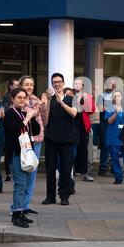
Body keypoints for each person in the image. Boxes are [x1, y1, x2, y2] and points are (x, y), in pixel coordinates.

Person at [40, 73, 78, 206]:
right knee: (50, 169)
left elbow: (74, 113)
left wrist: (62, 102)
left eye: (59, 81)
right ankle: (50, 196)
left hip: (67, 139)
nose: (57, 84)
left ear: (63, 82)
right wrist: (45, 102)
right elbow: (42, 114)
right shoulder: (49, 99)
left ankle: (64, 196)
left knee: (66, 169)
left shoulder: (70, 98)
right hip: (51, 138)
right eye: (54, 82)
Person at [4, 88, 39, 228]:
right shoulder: (10, 113)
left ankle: (21, 211)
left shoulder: (24, 113)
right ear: (12, 99)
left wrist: (33, 117)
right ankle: (16, 215)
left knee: (25, 184)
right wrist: (28, 118)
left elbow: (35, 131)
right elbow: (16, 130)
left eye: (24, 97)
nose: (22, 100)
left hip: (26, 153)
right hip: (15, 154)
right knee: (20, 184)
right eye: (19, 97)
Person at [17, 76, 43, 215]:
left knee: (32, 174)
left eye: (32, 84)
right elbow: (27, 116)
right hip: (24, 141)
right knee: (23, 174)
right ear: (21, 85)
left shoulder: (36, 100)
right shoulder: (19, 99)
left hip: (37, 139)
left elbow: (42, 117)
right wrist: (37, 108)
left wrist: (44, 104)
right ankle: (18, 206)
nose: (29, 87)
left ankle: (26, 205)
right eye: (27, 84)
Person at [73, 78, 95, 182]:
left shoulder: (87, 96)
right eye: (75, 84)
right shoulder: (70, 96)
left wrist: (87, 100)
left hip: (83, 126)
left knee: (83, 149)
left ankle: (84, 171)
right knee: (72, 149)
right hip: (72, 126)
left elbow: (91, 110)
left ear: (82, 86)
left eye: (79, 84)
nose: (77, 85)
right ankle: (73, 169)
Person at [105, 90, 124, 184]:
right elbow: (109, 121)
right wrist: (115, 113)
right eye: (115, 96)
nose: (117, 98)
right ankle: (118, 177)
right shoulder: (110, 108)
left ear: (121, 97)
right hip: (113, 137)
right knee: (115, 159)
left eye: (118, 96)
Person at [96, 80, 115, 175]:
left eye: (111, 84)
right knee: (104, 145)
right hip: (104, 124)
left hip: (115, 124)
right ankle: (103, 167)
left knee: (115, 146)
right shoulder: (101, 96)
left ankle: (114, 168)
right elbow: (100, 107)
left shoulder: (117, 96)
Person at [2, 78, 19, 182]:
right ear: (11, 86)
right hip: (9, 126)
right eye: (16, 85)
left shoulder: (22, 95)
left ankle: (16, 171)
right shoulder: (7, 97)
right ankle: (8, 173)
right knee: (8, 152)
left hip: (18, 126)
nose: (18, 86)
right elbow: (5, 109)